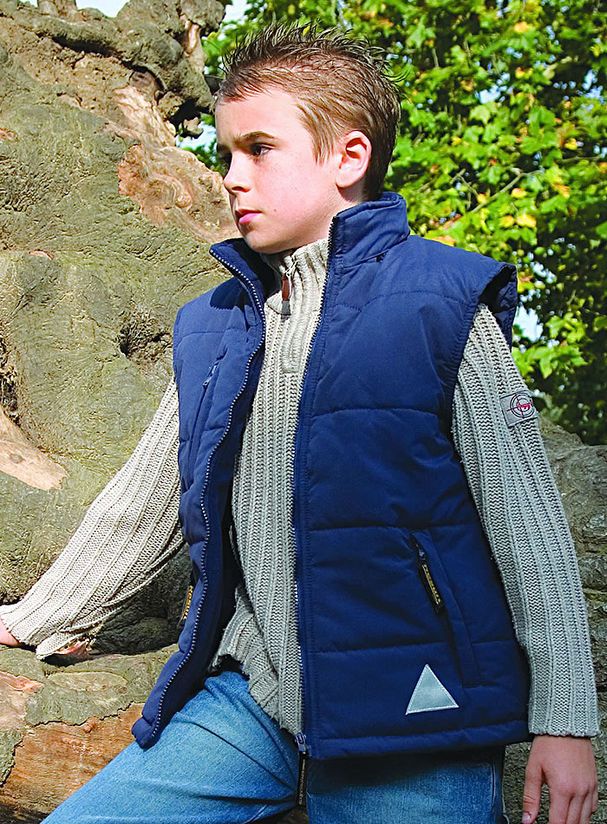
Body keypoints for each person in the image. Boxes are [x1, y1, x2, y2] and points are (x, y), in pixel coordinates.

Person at [0, 23, 599, 824]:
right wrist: (29, 621)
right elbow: (143, 506)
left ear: (348, 157)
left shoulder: (440, 303)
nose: (230, 176)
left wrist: (565, 721)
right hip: (253, 700)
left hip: (418, 713)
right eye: (226, 152)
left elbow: (526, 524)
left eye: (259, 149)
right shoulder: (216, 322)